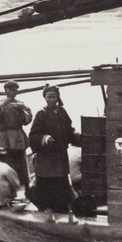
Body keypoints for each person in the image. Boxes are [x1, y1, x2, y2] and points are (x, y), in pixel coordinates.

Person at [29, 84, 78, 223]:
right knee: (47, 187)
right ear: (45, 98)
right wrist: (44, 138)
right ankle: (50, 214)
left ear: (58, 98)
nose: (51, 99)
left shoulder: (62, 112)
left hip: (60, 156)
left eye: (54, 97)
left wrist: (77, 137)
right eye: (48, 97)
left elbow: (69, 131)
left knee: (64, 185)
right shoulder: (41, 114)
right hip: (45, 158)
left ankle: (70, 214)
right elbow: (32, 136)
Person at [0, 80, 33, 187]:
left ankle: (23, 186)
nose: (13, 92)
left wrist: (21, 110)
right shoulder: (0, 103)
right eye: (10, 90)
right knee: (6, 162)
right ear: (6, 90)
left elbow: (28, 118)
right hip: (5, 138)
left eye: (15, 90)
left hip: (18, 137)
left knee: (21, 163)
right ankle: (6, 186)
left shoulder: (20, 104)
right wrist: (4, 103)